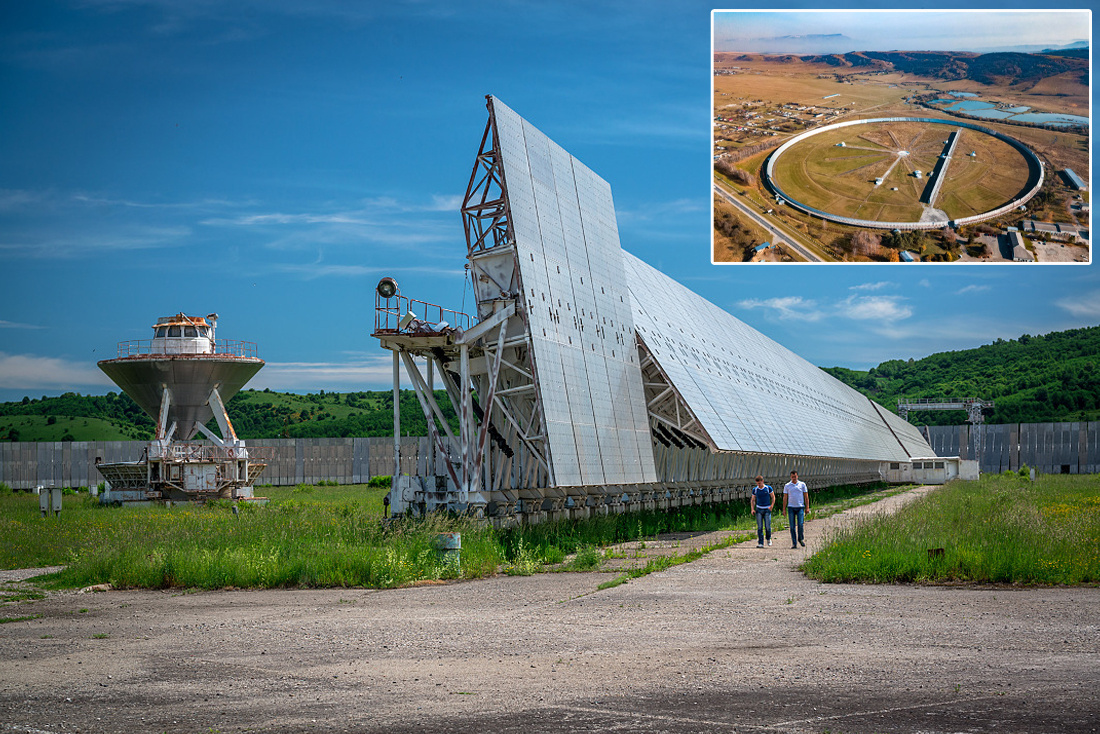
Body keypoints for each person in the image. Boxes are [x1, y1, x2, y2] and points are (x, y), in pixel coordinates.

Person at [783, 470, 809, 549]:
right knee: (792, 526)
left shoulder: (802, 484)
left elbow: (806, 496)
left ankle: (800, 538)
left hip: (800, 507)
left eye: (795, 476)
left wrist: (807, 507)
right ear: (790, 477)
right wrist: (784, 509)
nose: (794, 478)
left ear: (797, 476)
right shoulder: (787, 485)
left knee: (800, 524)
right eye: (792, 477)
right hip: (791, 507)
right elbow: (785, 498)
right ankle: (794, 543)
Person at [750, 475, 774, 547]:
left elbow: (773, 497)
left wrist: (771, 506)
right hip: (759, 509)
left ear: (762, 481)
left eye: (759, 483)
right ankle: (760, 542)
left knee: (767, 526)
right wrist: (752, 509)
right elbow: (753, 500)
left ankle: (768, 538)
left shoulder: (768, 488)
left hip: (767, 509)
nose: (758, 485)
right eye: (757, 483)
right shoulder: (755, 490)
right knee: (760, 527)